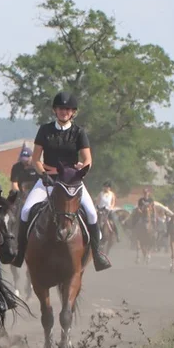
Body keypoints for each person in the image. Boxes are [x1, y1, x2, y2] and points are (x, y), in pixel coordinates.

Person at [12, 91, 111, 271]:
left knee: (92, 213)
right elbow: (35, 159)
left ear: (73, 112)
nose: (64, 112)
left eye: (67, 109)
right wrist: (43, 175)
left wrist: (81, 171)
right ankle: (20, 253)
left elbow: (88, 159)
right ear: (55, 110)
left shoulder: (79, 132)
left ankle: (97, 254)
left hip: (71, 180)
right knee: (26, 210)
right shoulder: (45, 130)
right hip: (48, 178)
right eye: (60, 108)